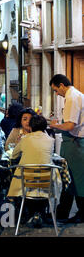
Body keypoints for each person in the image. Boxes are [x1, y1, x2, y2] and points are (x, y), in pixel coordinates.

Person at [7, 115, 56, 228]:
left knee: (25, 184)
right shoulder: (50, 140)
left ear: (31, 126)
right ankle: (39, 213)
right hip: (47, 181)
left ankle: (31, 213)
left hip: (26, 181)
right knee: (40, 188)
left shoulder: (25, 139)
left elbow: (14, 155)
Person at [49, 74, 84, 223]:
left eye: (56, 90)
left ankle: (78, 214)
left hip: (75, 143)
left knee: (74, 180)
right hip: (73, 142)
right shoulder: (76, 95)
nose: (57, 94)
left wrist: (54, 125)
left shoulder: (72, 97)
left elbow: (70, 125)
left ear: (62, 85)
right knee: (72, 180)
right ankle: (62, 213)